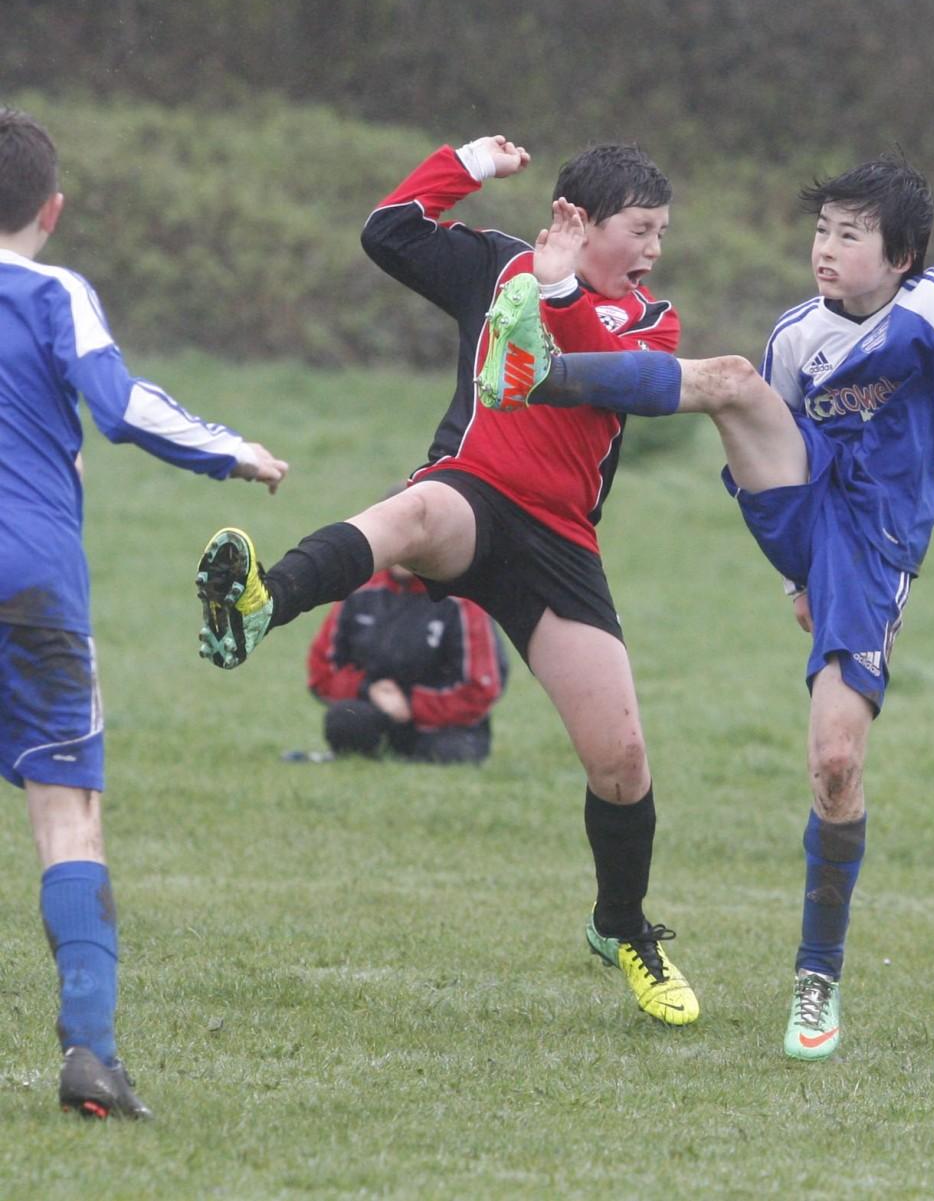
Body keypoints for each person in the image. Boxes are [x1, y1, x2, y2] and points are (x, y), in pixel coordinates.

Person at [478, 151, 934, 1062]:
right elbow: (764, 436)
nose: (826, 250)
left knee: (836, 767)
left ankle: (817, 977)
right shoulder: (797, 334)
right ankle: (538, 373)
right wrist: (792, 578)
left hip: (872, 543)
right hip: (803, 505)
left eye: (850, 236)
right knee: (734, 377)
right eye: (822, 231)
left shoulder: (930, 306)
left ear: (901, 258)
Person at [194, 133, 700, 1027]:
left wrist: (558, 287)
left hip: (559, 547)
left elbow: (582, 372)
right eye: (641, 229)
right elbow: (389, 232)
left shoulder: (649, 320)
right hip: (473, 491)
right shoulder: (501, 265)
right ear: (575, 220)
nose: (655, 250)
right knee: (418, 511)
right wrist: (468, 162)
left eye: (662, 232)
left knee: (620, 763)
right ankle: (263, 600)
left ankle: (622, 925)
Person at [0, 108, 288, 1119]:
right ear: (53, 207)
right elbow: (119, 407)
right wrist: (230, 448)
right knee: (65, 812)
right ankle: (91, 1056)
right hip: (32, 578)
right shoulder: (52, 291)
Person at [308, 559, 508, 763]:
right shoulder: (360, 592)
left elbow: (482, 687)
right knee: (343, 720)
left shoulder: (461, 600)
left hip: (442, 724)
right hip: (377, 711)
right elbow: (322, 673)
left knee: (448, 753)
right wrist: (368, 690)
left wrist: (412, 705)